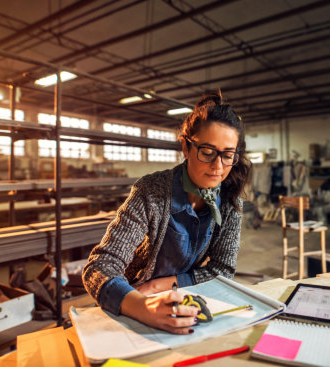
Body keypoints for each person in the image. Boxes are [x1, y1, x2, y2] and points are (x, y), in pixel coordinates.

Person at [83, 91, 251, 335]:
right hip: (131, 302)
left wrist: (159, 286)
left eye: (228, 155)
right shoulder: (150, 192)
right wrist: (141, 304)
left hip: (179, 301)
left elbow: (222, 270)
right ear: (186, 146)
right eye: (207, 152)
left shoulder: (229, 200)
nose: (218, 167)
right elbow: (100, 266)